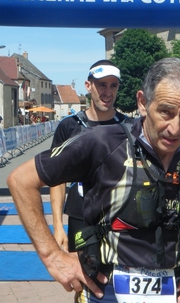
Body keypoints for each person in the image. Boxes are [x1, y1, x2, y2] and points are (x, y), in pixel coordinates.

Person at [7, 57, 180, 303]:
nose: (175, 128)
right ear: (142, 102)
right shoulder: (100, 142)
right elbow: (21, 181)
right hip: (104, 298)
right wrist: (52, 255)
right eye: (166, 112)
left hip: (168, 298)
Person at [50, 59, 129, 252]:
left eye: (113, 86)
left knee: (118, 279)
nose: (108, 92)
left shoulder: (129, 126)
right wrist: (58, 225)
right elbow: (57, 179)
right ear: (88, 86)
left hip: (120, 215)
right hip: (81, 216)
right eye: (102, 85)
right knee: (82, 278)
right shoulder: (69, 126)